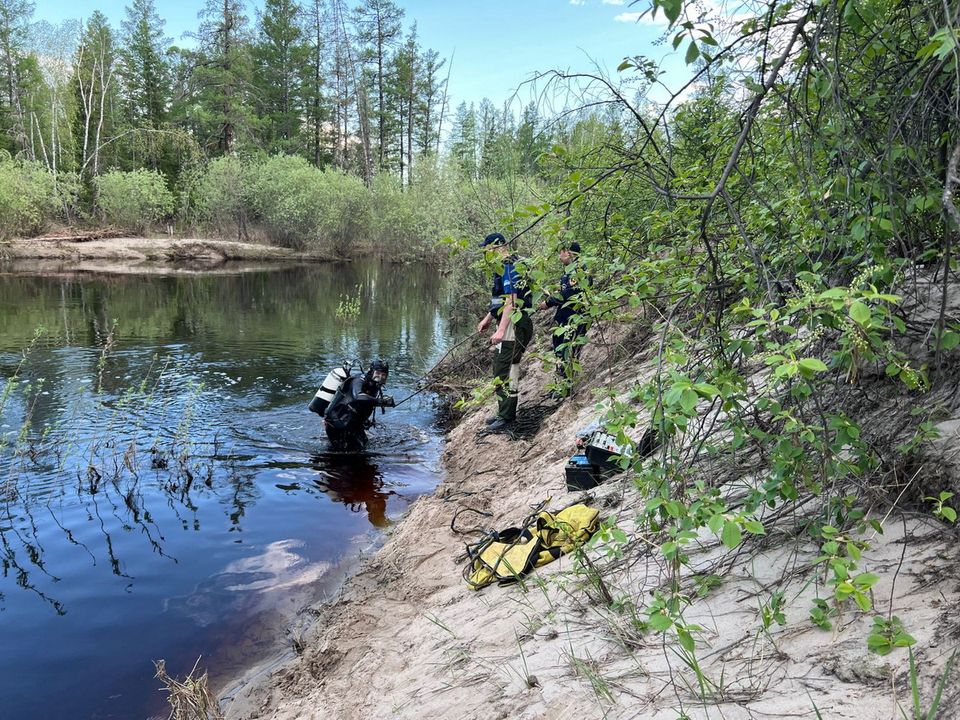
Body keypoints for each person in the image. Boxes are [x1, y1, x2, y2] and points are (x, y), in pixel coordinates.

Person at [476, 232, 534, 431]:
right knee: (500, 368)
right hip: (508, 321)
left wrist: (501, 330)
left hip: (515, 323)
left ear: (496, 246)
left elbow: (512, 300)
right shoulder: (502, 266)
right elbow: (500, 301)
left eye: (487, 249)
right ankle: (503, 412)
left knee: (507, 368)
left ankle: (507, 417)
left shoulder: (510, 264)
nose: (486, 253)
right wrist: (488, 318)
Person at [538, 241, 587, 395]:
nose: (560, 256)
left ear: (570, 253)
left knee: (570, 350)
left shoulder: (579, 271)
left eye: (562, 252)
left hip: (574, 319)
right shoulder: (568, 272)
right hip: (563, 318)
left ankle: (569, 386)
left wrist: (549, 302)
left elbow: (570, 294)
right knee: (560, 349)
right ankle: (562, 385)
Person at [323, 359, 395, 451]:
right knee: (342, 453)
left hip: (353, 424)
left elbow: (365, 403)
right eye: (378, 373)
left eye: (383, 375)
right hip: (337, 424)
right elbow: (358, 397)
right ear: (371, 371)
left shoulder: (374, 386)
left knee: (363, 447)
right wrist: (381, 401)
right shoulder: (358, 380)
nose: (380, 376)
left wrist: (365, 421)